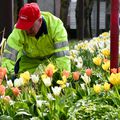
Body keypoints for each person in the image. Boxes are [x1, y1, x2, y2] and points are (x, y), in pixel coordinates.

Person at [1, 2, 71, 76]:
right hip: (28, 61)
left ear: (40, 21)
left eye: (30, 27)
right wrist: (7, 76)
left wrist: (64, 77)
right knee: (24, 82)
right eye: (25, 27)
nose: (27, 31)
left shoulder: (56, 26)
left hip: (51, 61)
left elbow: (63, 56)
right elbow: (9, 56)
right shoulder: (19, 29)